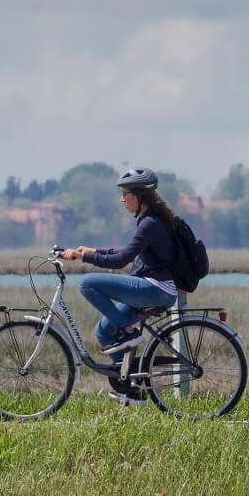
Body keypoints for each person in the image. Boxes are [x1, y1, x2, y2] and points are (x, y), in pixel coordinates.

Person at [64, 168, 181, 405]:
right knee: (104, 331)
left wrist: (84, 258)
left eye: (125, 193)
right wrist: (93, 251)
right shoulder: (149, 221)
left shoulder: (150, 223)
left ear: (140, 196)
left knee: (87, 284)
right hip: (152, 287)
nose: (122, 199)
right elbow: (125, 253)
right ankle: (131, 389)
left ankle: (128, 332)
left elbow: (121, 261)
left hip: (156, 289)